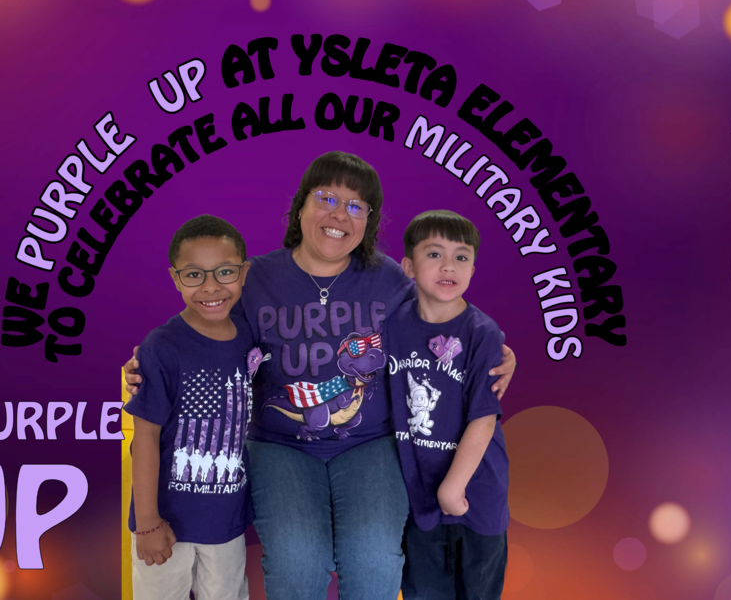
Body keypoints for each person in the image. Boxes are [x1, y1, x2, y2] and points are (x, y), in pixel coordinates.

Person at [125, 152, 517, 600]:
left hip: (370, 444)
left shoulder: (390, 279)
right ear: (300, 206)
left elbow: (446, 316)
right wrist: (151, 358)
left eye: (356, 206)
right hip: (280, 445)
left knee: (372, 563)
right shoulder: (255, 277)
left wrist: (500, 351)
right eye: (327, 198)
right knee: (297, 565)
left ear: (369, 221)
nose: (339, 215)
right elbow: (206, 326)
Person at [124, 215, 260, 600]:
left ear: (244, 272)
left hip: (226, 520)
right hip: (165, 522)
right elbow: (145, 438)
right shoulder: (160, 347)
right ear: (174, 278)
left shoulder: (249, 335)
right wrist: (148, 523)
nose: (211, 286)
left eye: (224, 272)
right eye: (194, 275)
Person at [388, 210, 509, 599]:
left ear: (473, 269)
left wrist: (452, 488)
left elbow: (484, 419)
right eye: (434, 254)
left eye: (461, 256)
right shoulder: (392, 326)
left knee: (477, 590)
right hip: (418, 495)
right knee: (424, 590)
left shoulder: (482, 333)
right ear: (408, 266)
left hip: (477, 492)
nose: (448, 266)